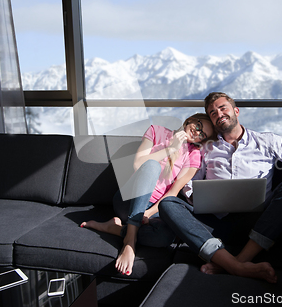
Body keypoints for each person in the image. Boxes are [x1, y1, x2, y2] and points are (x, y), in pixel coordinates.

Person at [159, 92, 282, 283]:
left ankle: (239, 260)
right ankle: (235, 266)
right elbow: (189, 182)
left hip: (257, 223)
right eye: (213, 113)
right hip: (214, 224)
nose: (219, 114)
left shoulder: (266, 141)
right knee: (168, 204)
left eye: (223, 108)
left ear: (236, 111)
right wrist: (195, 196)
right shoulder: (206, 148)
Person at [81, 113, 216, 276]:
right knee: (152, 165)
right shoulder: (156, 131)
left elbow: (172, 194)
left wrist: (149, 213)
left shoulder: (194, 154)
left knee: (166, 236)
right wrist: (171, 148)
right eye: (198, 125)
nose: (197, 132)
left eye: (202, 134)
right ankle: (129, 241)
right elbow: (138, 164)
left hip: (155, 208)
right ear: (191, 120)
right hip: (128, 200)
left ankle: (116, 229)